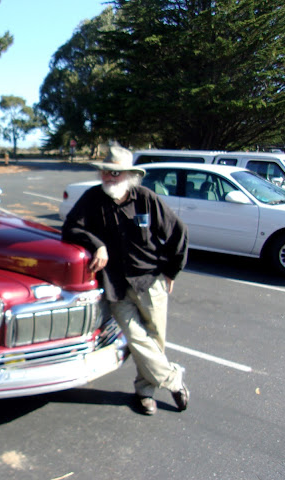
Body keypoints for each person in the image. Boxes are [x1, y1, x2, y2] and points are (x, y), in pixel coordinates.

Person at [62, 145, 190, 415]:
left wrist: (171, 271)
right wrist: (97, 244)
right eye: (106, 172)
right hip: (116, 286)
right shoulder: (92, 198)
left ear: (130, 175)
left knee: (155, 341)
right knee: (135, 339)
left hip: (150, 282)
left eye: (116, 173)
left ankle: (145, 392)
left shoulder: (146, 199)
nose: (109, 177)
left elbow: (179, 232)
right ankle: (174, 380)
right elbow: (71, 228)